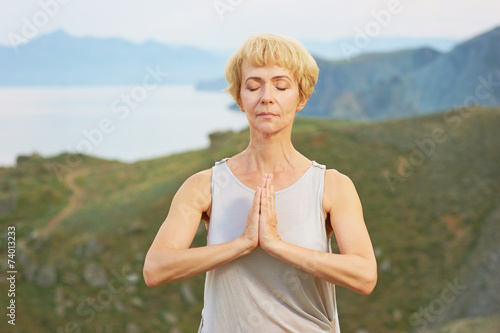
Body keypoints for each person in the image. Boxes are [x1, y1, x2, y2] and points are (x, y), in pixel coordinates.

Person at [143, 33, 377, 332]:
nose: (267, 96)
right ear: (240, 99)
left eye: (281, 85)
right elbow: (155, 268)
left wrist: (277, 245)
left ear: (301, 98)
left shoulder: (332, 186)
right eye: (253, 86)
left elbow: (365, 275)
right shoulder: (204, 186)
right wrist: (241, 244)